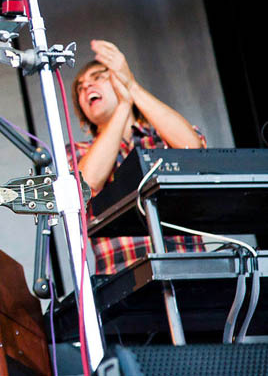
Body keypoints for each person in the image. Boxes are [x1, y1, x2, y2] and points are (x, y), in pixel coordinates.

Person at [70, 40, 205, 275]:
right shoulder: (78, 152)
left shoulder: (160, 137)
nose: (86, 86)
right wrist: (123, 106)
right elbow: (87, 183)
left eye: (98, 77)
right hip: (125, 282)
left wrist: (130, 86)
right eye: (80, 87)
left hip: (190, 269)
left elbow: (191, 148)